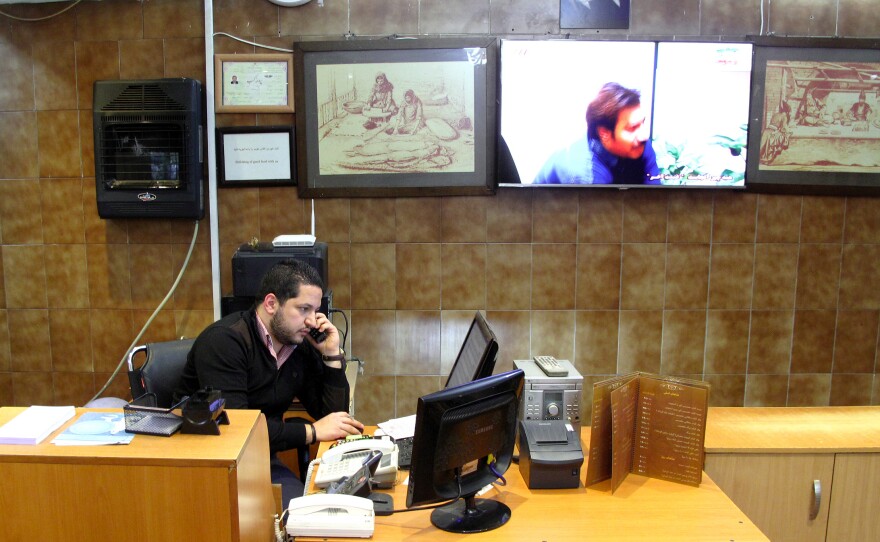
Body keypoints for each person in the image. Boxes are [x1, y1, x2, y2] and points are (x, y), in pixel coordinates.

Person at [174, 259, 363, 504]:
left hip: (259, 459)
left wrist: (331, 354)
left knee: (301, 511)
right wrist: (312, 431)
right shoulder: (225, 342)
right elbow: (238, 428)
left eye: (315, 311)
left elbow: (334, 416)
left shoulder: (298, 344)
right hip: (207, 463)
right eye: (303, 309)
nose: (311, 321)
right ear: (271, 303)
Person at [533, 82, 660, 184]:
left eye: (642, 123)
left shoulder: (640, 145)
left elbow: (656, 198)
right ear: (605, 134)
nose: (644, 135)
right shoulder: (586, 176)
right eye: (632, 128)